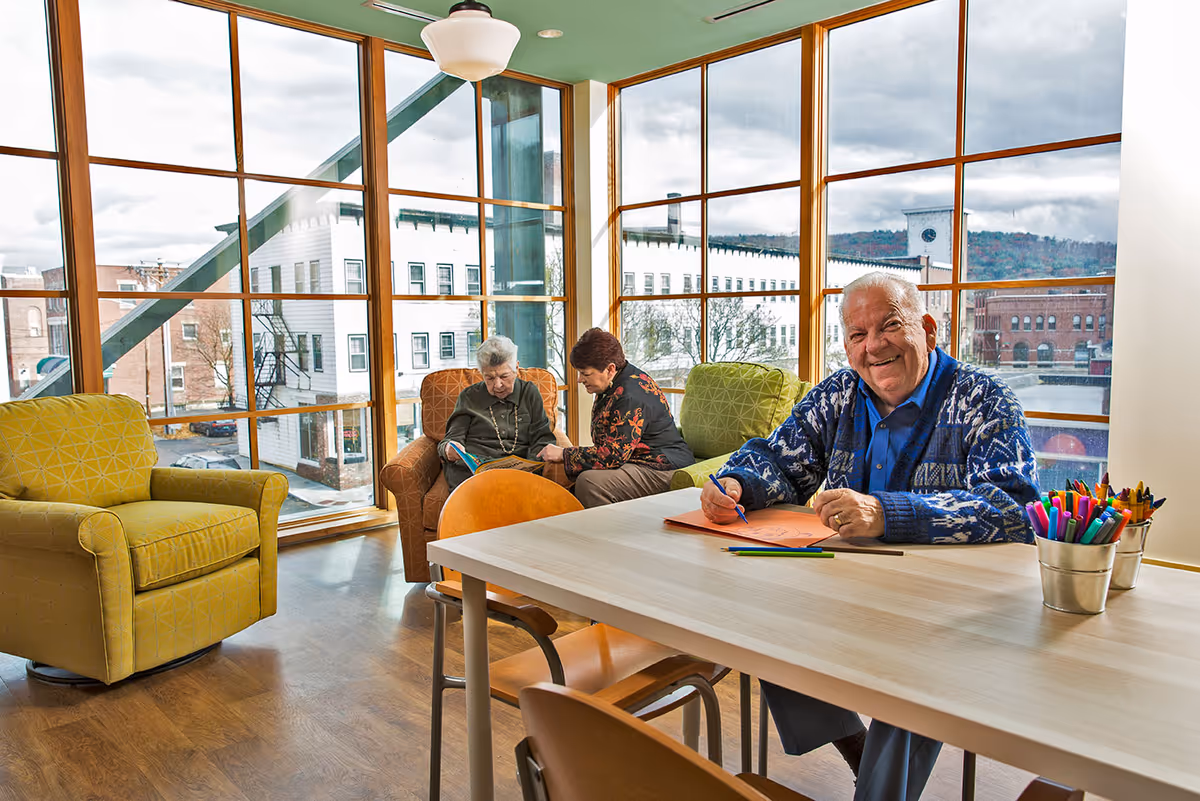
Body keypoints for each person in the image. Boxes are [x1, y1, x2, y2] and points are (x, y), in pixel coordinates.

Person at [700, 271, 1039, 801]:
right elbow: (777, 456)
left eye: (889, 326)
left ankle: (879, 790)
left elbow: (1014, 506)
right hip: (842, 587)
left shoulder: (985, 398)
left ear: (927, 328)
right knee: (764, 627)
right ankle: (858, 749)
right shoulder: (838, 391)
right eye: (857, 335)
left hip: (946, 603)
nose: (873, 346)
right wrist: (738, 483)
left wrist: (887, 513)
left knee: (914, 682)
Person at [539, 328, 693, 508]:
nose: (580, 380)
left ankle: (605, 533)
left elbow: (614, 455)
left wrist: (565, 453)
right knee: (568, 472)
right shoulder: (613, 383)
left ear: (610, 369)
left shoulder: (630, 395)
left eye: (585, 374)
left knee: (590, 483)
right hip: (637, 460)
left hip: (662, 466)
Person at [439, 335, 557, 492]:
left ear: (516, 368)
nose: (498, 385)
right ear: (482, 374)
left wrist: (529, 473)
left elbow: (542, 439)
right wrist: (449, 449)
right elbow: (450, 441)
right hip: (475, 475)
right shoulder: (469, 396)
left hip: (519, 474)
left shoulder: (529, 393)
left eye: (504, 376)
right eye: (490, 378)